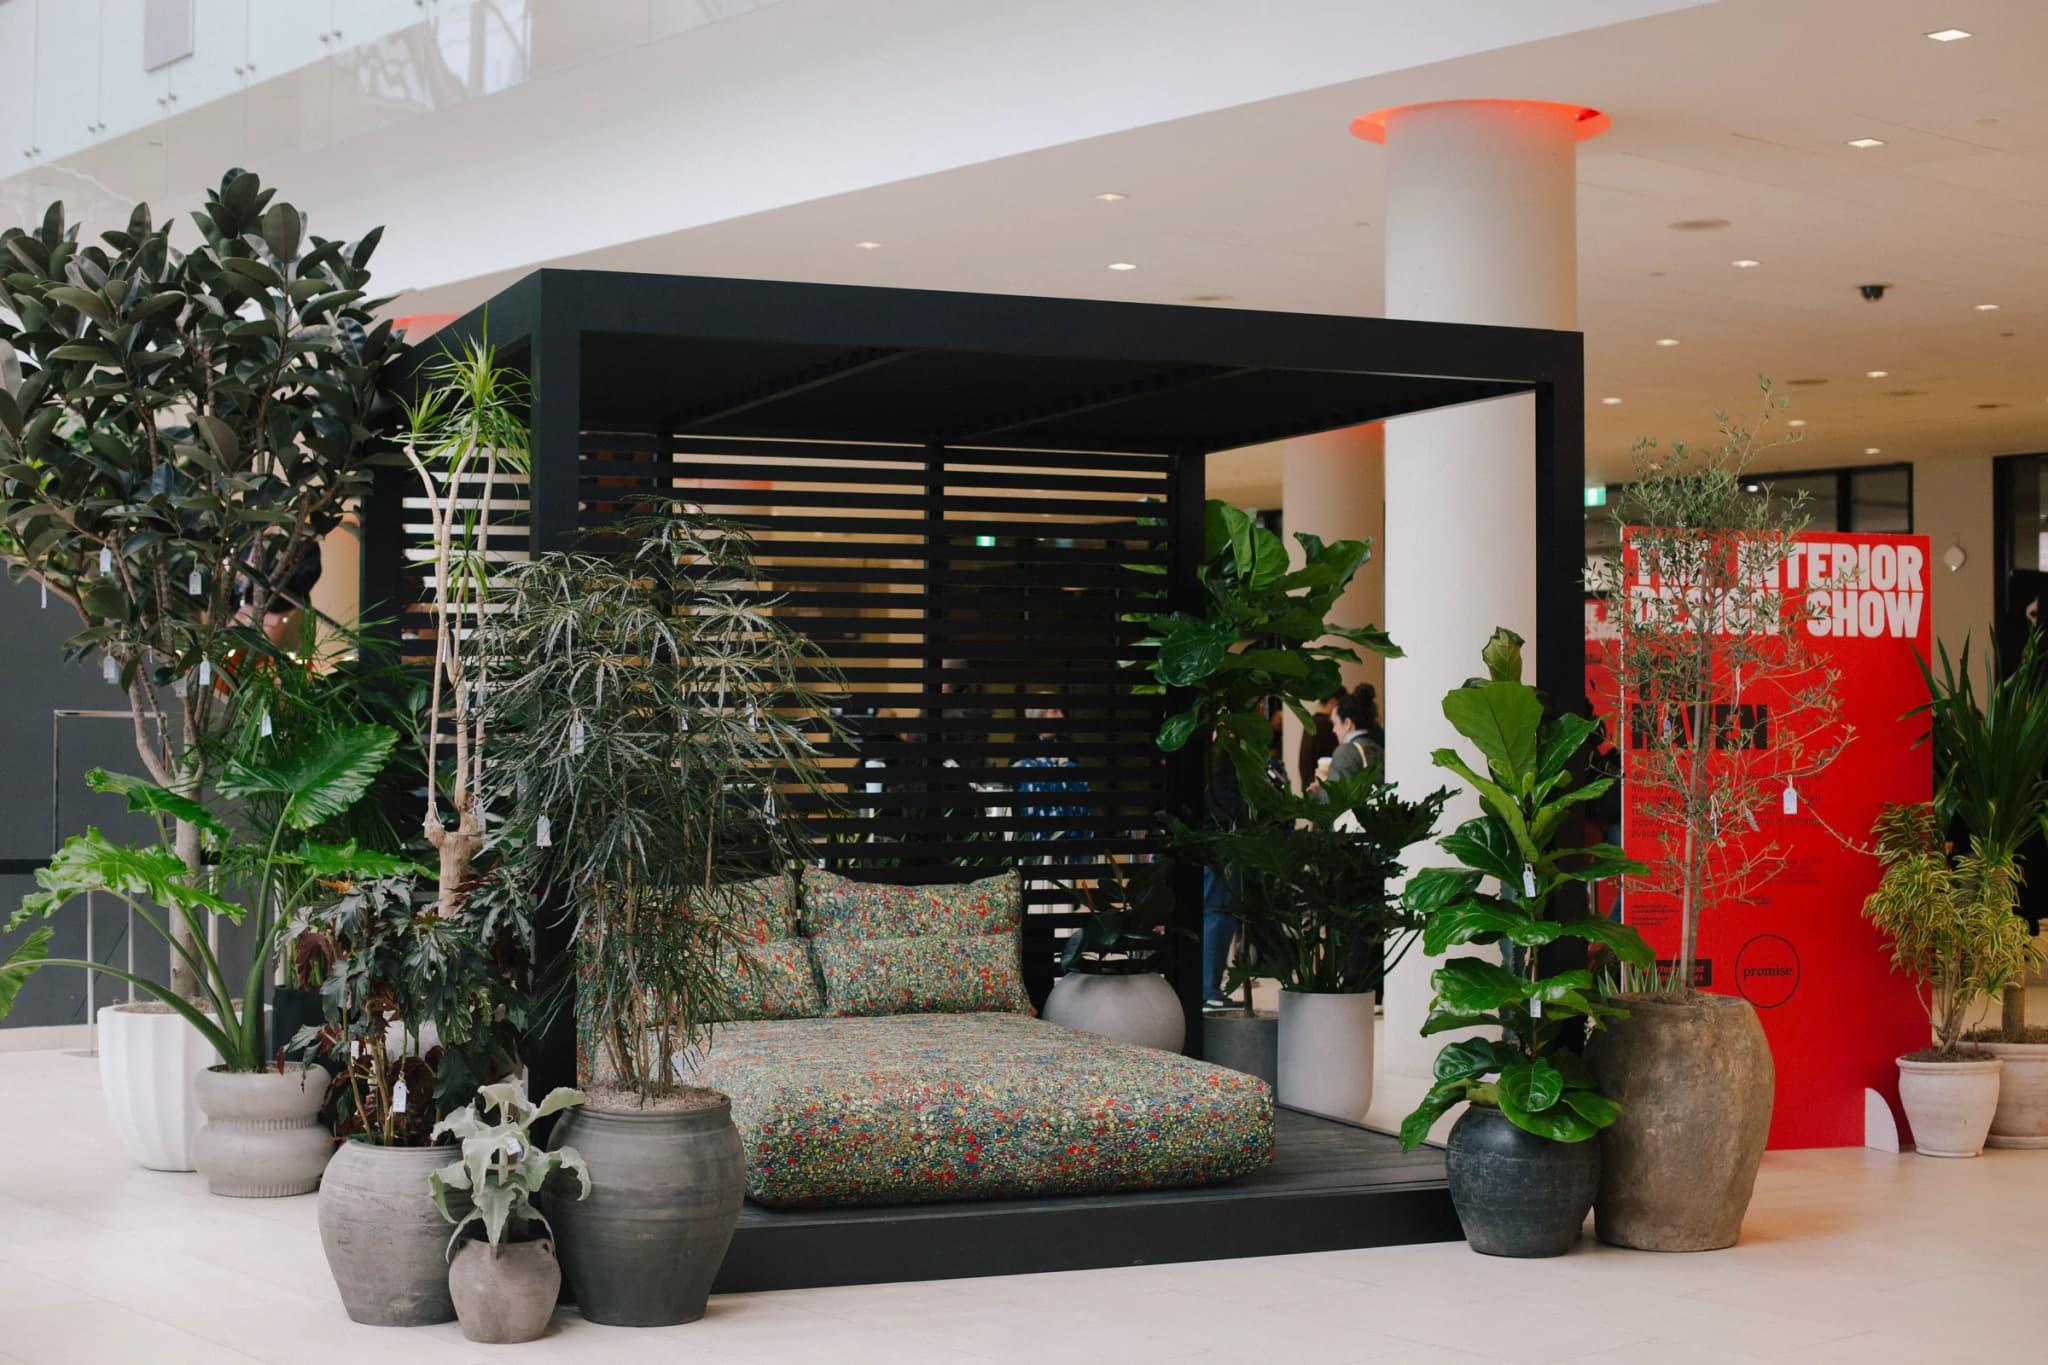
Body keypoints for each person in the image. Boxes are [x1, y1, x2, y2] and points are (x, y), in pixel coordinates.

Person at [1320, 685, 1385, 788]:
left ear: (1347, 723)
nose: (1334, 730)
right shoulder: (1381, 745)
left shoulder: (1345, 752)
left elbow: (1338, 800)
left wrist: (1323, 783)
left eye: (1335, 723)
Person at [1298, 689, 1342, 790]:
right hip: (1320, 789)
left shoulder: (1311, 722)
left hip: (1309, 787)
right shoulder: (1328, 726)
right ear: (1333, 702)